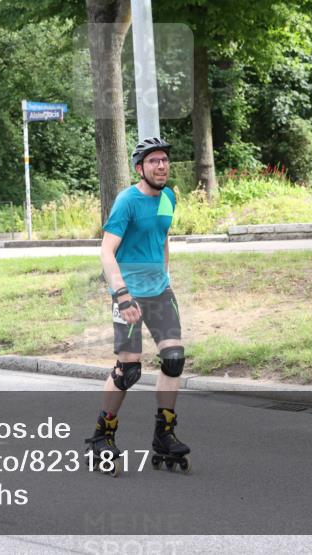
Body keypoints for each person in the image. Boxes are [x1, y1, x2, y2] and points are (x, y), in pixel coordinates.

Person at [85, 137, 190, 475]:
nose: (161, 166)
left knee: (173, 359)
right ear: (139, 168)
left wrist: (167, 278)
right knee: (129, 369)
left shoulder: (169, 197)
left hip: (160, 291)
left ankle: (165, 434)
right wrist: (122, 294)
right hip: (128, 292)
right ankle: (104, 433)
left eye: (164, 160)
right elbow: (106, 251)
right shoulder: (126, 201)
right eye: (154, 161)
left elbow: (162, 239)